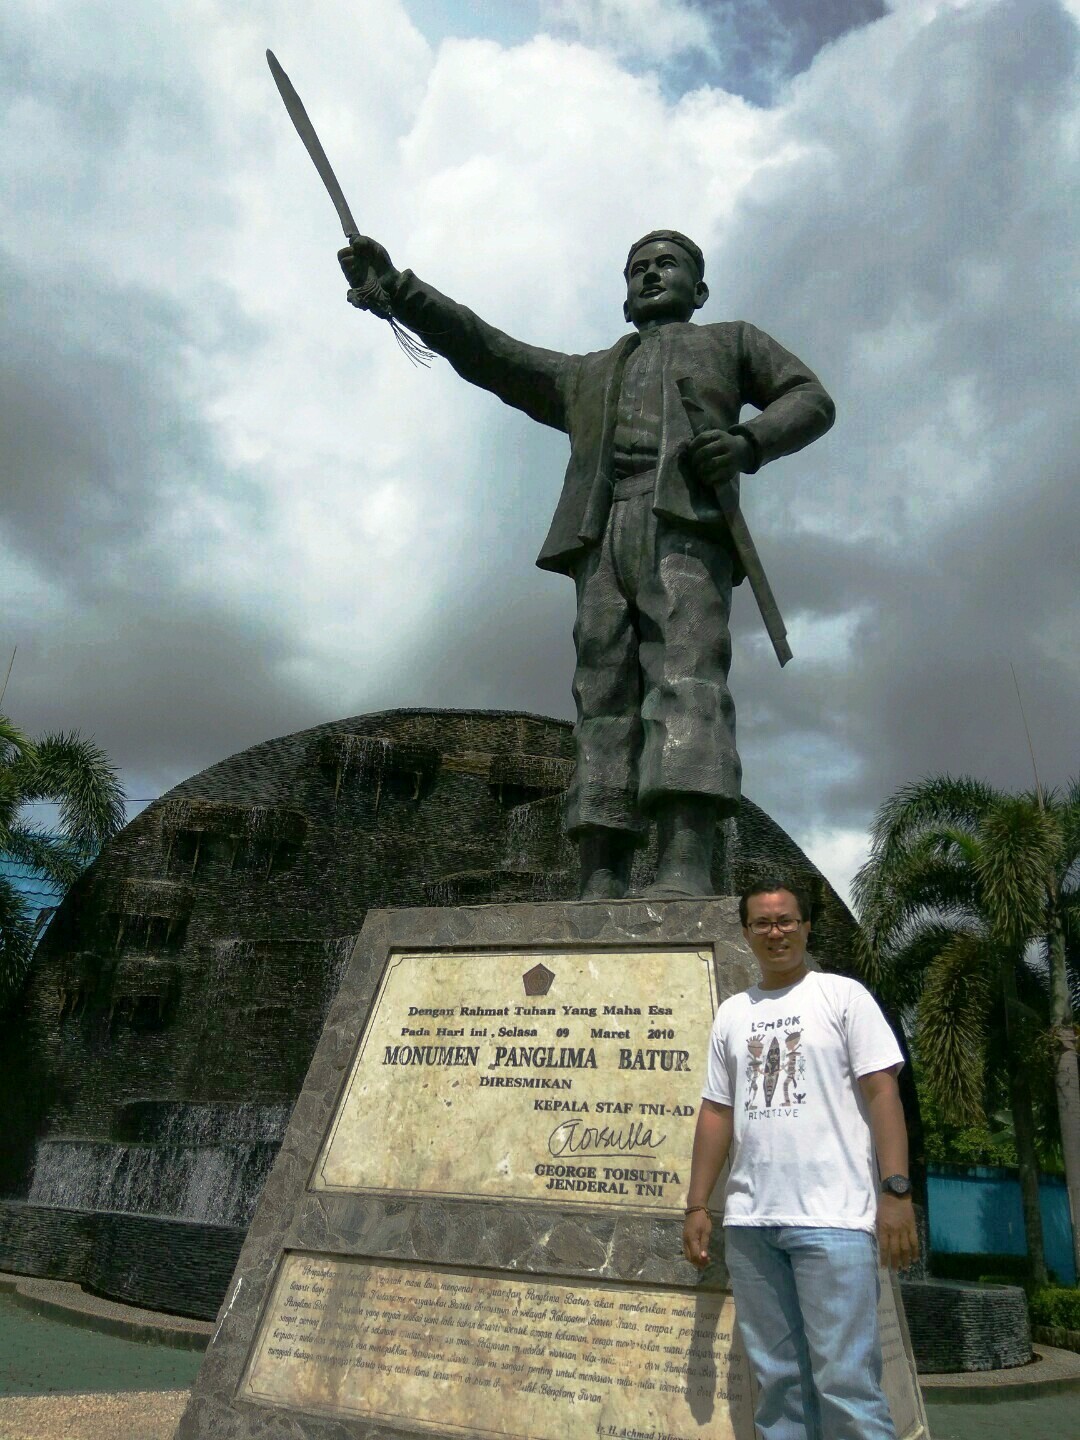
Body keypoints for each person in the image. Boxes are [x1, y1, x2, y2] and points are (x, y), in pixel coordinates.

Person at [338, 233, 834, 899]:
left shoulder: (731, 341)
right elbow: (489, 350)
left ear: (700, 290)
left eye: (667, 265)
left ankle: (685, 864)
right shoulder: (588, 373)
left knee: (686, 681)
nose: (650, 275)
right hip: (601, 534)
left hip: (684, 528)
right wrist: (399, 290)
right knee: (601, 699)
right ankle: (601, 869)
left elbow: (809, 397)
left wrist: (748, 442)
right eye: (637, 269)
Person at [682, 878, 919, 1440]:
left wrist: (896, 1191)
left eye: (786, 920)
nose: (775, 932)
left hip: (834, 1221)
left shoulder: (843, 997)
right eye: (761, 923)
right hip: (751, 1225)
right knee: (779, 1388)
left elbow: (883, 1092)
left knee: (848, 1389)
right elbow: (717, 1112)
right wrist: (697, 1203)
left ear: (807, 926)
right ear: (745, 934)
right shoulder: (733, 1014)